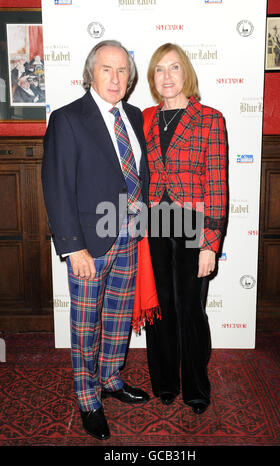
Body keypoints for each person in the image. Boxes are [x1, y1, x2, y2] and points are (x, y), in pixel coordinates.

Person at [42, 40, 150, 440]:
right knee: (86, 325)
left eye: (122, 71)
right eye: (107, 69)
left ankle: (110, 380)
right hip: (89, 243)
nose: (115, 78)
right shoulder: (68, 119)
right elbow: (56, 185)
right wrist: (73, 247)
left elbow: (138, 175)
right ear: (91, 72)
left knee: (119, 319)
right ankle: (88, 398)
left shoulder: (135, 117)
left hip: (129, 238)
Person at [143, 43, 227, 414]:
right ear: (152, 78)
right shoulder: (145, 118)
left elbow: (218, 185)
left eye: (174, 68)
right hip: (155, 220)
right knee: (160, 306)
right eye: (159, 69)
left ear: (186, 73)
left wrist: (211, 243)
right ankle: (164, 382)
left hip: (193, 221)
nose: (166, 76)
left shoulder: (210, 118)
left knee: (191, 307)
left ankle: (195, 385)